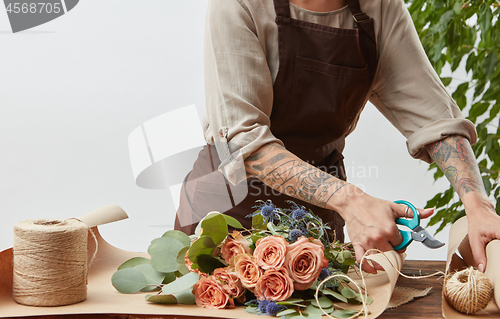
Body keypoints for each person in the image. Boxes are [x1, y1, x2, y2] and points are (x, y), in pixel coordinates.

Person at [174, 0, 500, 274]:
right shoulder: (238, 5)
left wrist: (478, 205)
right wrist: (352, 200)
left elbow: (436, 121)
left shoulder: (379, 7)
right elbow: (244, 141)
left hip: (316, 222)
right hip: (225, 216)